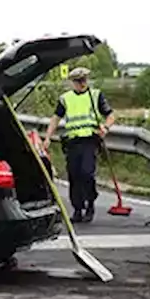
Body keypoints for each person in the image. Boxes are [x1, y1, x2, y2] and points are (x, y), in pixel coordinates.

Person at [42, 67, 115, 223]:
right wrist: (48, 137)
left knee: (87, 173)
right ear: (72, 82)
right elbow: (55, 118)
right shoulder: (65, 99)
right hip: (73, 142)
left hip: (89, 140)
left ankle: (90, 203)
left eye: (84, 80)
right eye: (78, 81)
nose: (82, 84)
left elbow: (110, 115)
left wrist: (106, 128)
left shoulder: (95, 95)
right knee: (74, 176)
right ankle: (77, 209)